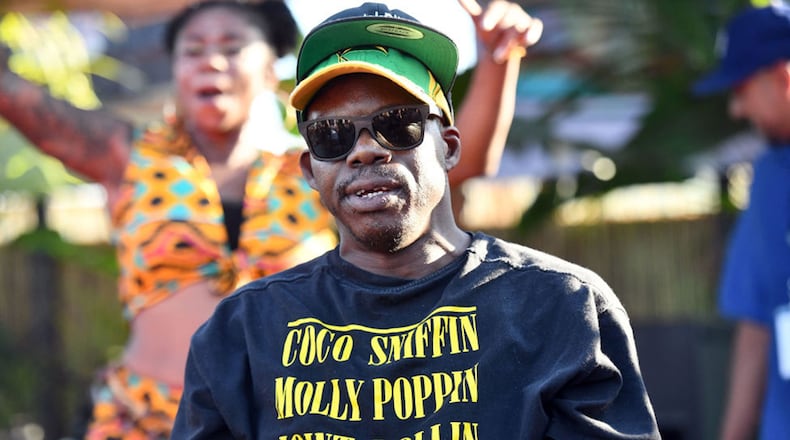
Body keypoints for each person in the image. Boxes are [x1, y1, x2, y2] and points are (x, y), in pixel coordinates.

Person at [0, 0, 542, 438]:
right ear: (176, 69)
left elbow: (459, 162)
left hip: (289, 420)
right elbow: (20, 101)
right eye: (194, 50)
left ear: (269, 70)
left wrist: (498, 59)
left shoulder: (319, 165)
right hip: (141, 421)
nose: (211, 61)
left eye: (231, 47)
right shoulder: (128, 156)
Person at [172, 3, 661, 438]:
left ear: (448, 146)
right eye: (332, 134)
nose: (364, 150)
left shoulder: (559, 308)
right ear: (310, 170)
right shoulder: (240, 334)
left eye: (397, 124)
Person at [693, 4, 790, 440]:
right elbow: (756, 325)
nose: (737, 109)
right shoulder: (771, 177)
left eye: (742, 89)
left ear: (782, 76)